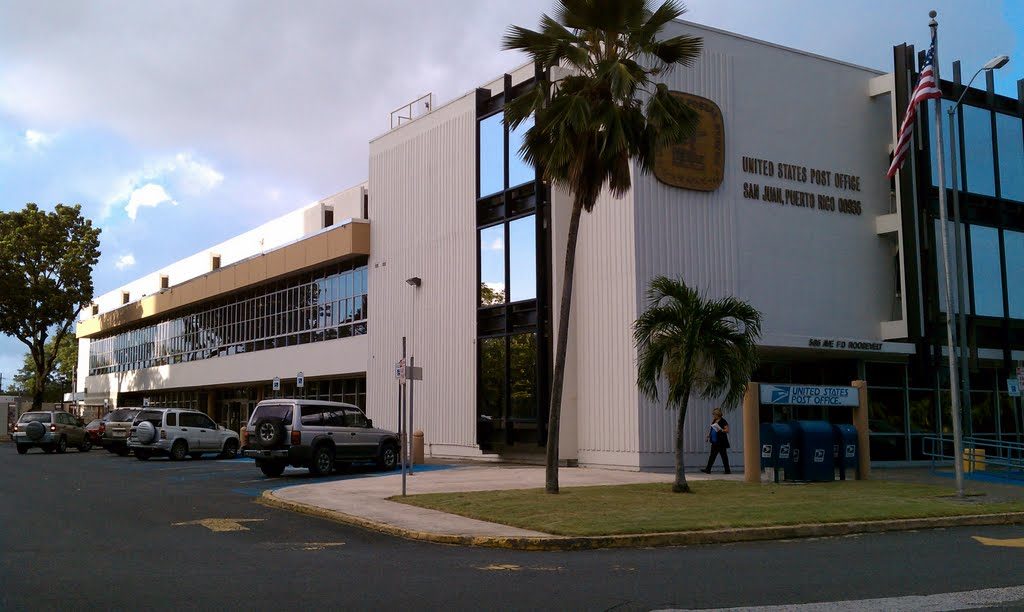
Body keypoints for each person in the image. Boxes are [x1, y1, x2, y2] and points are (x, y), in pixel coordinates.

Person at [701, 408, 731, 474]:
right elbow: (712, 429)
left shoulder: (723, 421)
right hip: (714, 441)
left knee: (724, 456)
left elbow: (727, 430)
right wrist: (708, 436)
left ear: (718, 414)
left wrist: (721, 430)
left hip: (721, 442)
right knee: (712, 456)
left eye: (714, 414)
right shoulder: (714, 420)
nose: (713, 415)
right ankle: (708, 469)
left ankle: (727, 470)